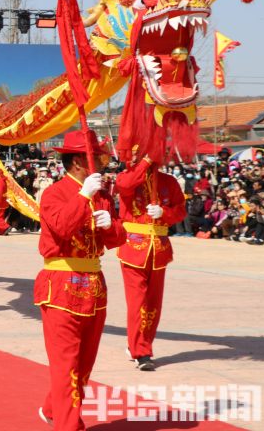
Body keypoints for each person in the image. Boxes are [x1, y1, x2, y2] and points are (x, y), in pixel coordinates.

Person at [34, 130, 126, 430]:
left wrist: (110, 225)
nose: (102, 161)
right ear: (77, 162)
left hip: (93, 286)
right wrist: (83, 195)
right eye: (96, 156)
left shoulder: (101, 195)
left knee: (83, 365)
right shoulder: (55, 193)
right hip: (61, 285)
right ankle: (69, 425)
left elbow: (116, 239)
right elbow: (61, 227)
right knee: (66, 366)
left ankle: (53, 408)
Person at [115, 154, 185, 371]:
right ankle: (141, 352)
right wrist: (146, 161)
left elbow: (181, 210)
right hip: (134, 248)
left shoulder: (168, 182)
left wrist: (165, 213)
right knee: (138, 303)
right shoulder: (126, 178)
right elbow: (125, 185)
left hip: (159, 250)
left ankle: (141, 344)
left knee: (154, 305)